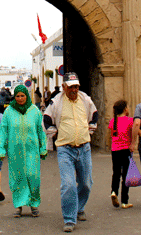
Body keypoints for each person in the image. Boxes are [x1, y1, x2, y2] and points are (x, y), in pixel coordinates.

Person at [43, 72, 98, 233]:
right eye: (71, 87)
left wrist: (89, 131)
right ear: (64, 87)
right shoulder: (56, 102)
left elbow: (94, 116)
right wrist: (55, 134)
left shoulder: (85, 100)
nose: (74, 90)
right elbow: (46, 120)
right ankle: (69, 218)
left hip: (84, 147)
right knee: (68, 185)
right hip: (65, 149)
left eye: (76, 86)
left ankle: (79, 207)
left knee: (86, 183)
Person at [0, 85, 47, 218]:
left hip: (32, 150)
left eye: (22, 96)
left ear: (27, 96)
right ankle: (18, 206)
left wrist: (43, 147)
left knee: (33, 176)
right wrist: (1, 149)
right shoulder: (9, 112)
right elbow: (3, 131)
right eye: (17, 96)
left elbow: (40, 131)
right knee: (17, 177)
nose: (20, 99)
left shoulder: (34, 111)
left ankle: (34, 203)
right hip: (15, 151)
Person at [107, 99, 134, 209]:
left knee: (116, 173)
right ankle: (124, 201)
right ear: (125, 109)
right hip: (125, 150)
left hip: (115, 150)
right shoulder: (129, 120)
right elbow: (132, 133)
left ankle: (114, 191)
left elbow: (110, 137)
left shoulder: (112, 121)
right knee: (126, 175)